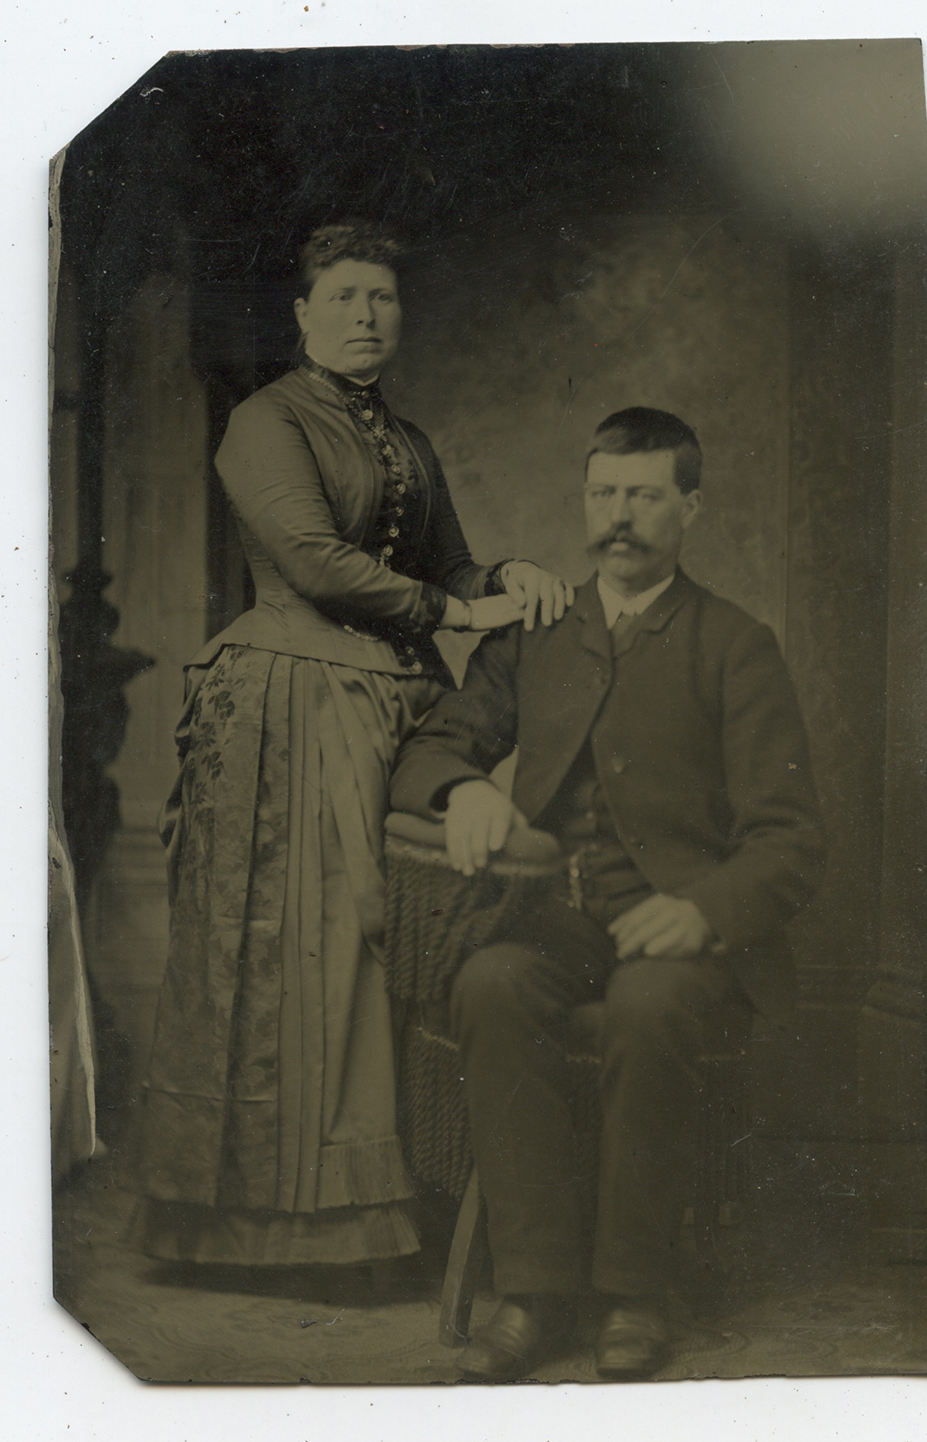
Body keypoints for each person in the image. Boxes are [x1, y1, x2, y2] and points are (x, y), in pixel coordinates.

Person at [136, 220, 573, 1271]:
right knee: (311, 948)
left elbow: (452, 565)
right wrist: (458, 614)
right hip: (292, 702)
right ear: (302, 314)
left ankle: (385, 1208)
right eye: (343, 297)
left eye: (382, 297)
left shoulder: (406, 439)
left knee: (389, 948)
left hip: (398, 703)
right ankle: (277, 1228)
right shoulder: (264, 421)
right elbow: (317, 563)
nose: (366, 316)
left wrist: (507, 578)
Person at [390, 406, 826, 1378]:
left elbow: (791, 839)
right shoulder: (538, 634)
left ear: (690, 508)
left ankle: (635, 1290)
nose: (618, 516)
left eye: (643, 496)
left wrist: (704, 909)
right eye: (602, 493)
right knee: (492, 982)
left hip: (682, 937)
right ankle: (534, 1290)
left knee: (650, 1002)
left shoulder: (735, 644)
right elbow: (435, 744)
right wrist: (463, 789)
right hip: (556, 922)